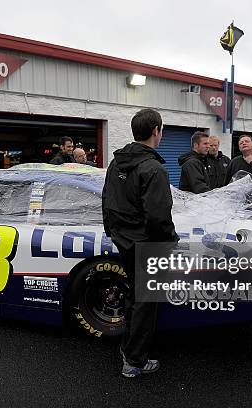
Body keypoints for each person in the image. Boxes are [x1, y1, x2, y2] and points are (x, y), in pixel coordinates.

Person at [102, 108, 178, 378]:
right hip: (147, 245)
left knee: (136, 296)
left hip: (125, 241)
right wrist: (169, 242)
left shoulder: (117, 162)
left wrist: (112, 231)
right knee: (145, 302)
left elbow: (107, 201)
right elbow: (159, 216)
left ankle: (128, 349)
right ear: (157, 131)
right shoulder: (153, 168)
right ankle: (134, 361)